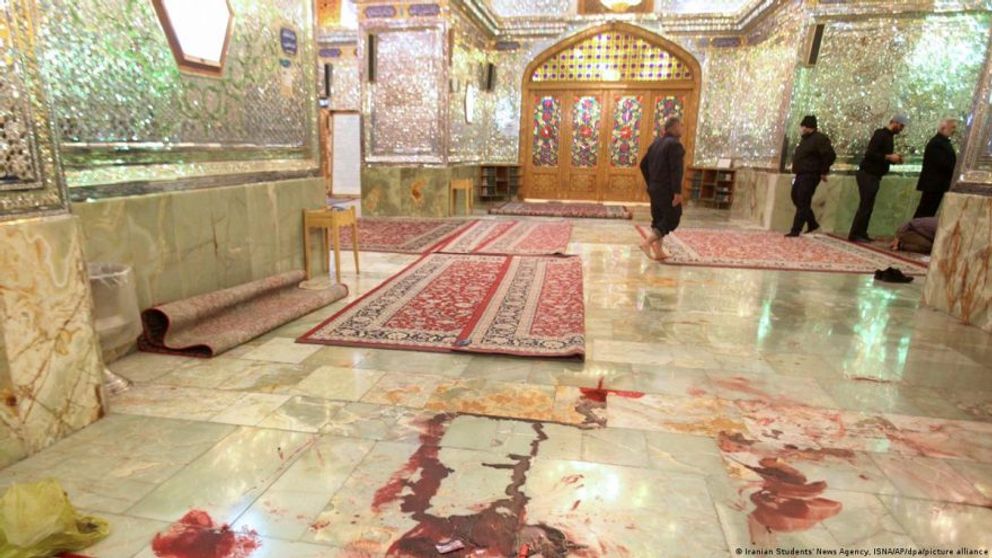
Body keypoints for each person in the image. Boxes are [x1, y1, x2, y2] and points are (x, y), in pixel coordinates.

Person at [848, 114, 909, 242]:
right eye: (901, 126)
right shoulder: (880, 134)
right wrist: (888, 157)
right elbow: (871, 153)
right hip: (867, 174)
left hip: (874, 175)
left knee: (868, 206)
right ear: (894, 122)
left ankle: (861, 232)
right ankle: (855, 234)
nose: (902, 129)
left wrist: (895, 159)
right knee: (865, 205)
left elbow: (883, 156)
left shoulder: (889, 137)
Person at [639, 116, 685, 261]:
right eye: (680, 126)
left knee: (658, 218)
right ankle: (647, 242)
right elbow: (676, 170)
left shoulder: (656, 143)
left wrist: (651, 182)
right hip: (667, 190)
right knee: (673, 217)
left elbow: (642, 164)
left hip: (654, 188)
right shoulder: (675, 145)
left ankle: (658, 251)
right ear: (673, 127)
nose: (682, 128)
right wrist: (677, 192)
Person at [786, 115, 836, 237]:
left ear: (808, 127)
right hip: (801, 174)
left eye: (802, 126)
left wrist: (823, 171)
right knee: (796, 197)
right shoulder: (806, 139)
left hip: (810, 175)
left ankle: (795, 230)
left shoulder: (820, 139)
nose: (801, 129)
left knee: (803, 200)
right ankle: (812, 223)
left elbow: (830, 155)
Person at [913, 118, 958, 218]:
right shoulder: (936, 143)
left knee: (928, 211)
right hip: (933, 185)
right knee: (925, 212)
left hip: (937, 185)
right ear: (943, 127)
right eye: (953, 127)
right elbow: (941, 163)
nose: (954, 130)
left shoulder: (942, 142)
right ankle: (913, 231)